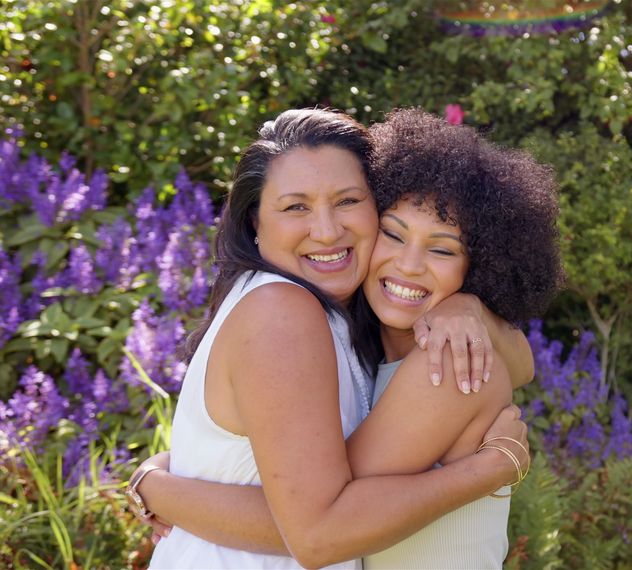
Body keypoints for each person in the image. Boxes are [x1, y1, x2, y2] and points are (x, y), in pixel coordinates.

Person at [129, 108, 536, 568]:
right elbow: (320, 528)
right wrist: (484, 473)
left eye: (347, 201)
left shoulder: (365, 330)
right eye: (295, 206)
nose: (326, 231)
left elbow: (522, 363)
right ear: (254, 224)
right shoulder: (284, 311)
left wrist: (470, 308)